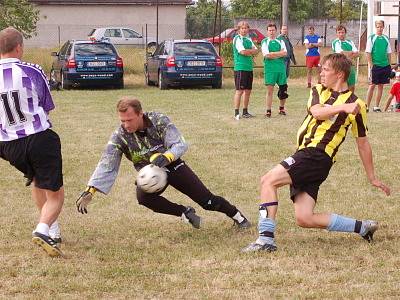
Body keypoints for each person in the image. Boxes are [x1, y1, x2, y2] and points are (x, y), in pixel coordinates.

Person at [242, 53, 390, 253]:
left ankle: (265, 240)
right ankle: (363, 227)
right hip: (307, 155)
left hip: (317, 155)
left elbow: (362, 143)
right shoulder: (319, 91)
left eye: (326, 69)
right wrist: (344, 107)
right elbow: (317, 112)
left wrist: (372, 177)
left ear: (339, 74)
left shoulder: (359, 105)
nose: (321, 73)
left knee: (268, 180)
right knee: (304, 218)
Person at [76, 97, 251, 231]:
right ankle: (184, 212)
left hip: (173, 166)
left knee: (208, 202)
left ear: (140, 114)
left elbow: (180, 143)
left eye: (129, 120)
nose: (125, 124)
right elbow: (107, 164)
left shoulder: (158, 120)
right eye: (122, 120)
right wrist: (91, 189)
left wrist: (167, 156)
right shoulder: (119, 136)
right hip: (150, 175)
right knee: (143, 198)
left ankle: (239, 217)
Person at [0, 27, 64, 257]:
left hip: (8, 145)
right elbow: (46, 104)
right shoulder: (32, 70)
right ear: (19, 47)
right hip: (38, 138)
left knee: (38, 179)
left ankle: (52, 229)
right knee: (56, 194)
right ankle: (42, 229)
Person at [232, 21, 258, 120]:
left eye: (246, 28)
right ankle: (236, 112)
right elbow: (242, 52)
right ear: (239, 30)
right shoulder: (237, 39)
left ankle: (245, 111)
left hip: (249, 67)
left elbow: (256, 50)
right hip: (240, 68)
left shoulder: (248, 39)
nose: (244, 30)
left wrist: (249, 51)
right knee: (239, 91)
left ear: (248, 29)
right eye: (242, 28)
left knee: (248, 91)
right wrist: (250, 51)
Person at [261, 23, 288, 118]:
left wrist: (273, 53)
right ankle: (268, 110)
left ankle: (282, 108)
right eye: (270, 30)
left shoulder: (280, 41)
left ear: (276, 31)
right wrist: (278, 54)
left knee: (283, 90)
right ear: (267, 31)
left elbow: (285, 53)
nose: (271, 32)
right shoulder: (265, 41)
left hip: (281, 69)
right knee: (270, 91)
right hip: (270, 69)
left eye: (273, 30)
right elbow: (266, 55)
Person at [365, 20, 392, 112]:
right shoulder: (372, 38)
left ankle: (376, 106)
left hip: (385, 65)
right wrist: (371, 65)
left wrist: (389, 64)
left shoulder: (386, 38)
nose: (379, 28)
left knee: (381, 86)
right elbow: (368, 52)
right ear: (375, 27)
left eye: (381, 26)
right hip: (375, 65)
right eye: (378, 26)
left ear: (383, 27)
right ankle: (367, 107)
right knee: (372, 85)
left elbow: (389, 52)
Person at [331, 25, 359, 92]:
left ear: (345, 33)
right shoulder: (335, 42)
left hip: (350, 67)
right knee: (342, 87)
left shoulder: (350, 42)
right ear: (336, 34)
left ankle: (350, 101)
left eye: (342, 32)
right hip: (341, 67)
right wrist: (351, 52)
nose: (341, 34)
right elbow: (341, 54)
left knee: (351, 86)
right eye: (339, 32)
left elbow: (357, 53)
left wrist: (348, 54)